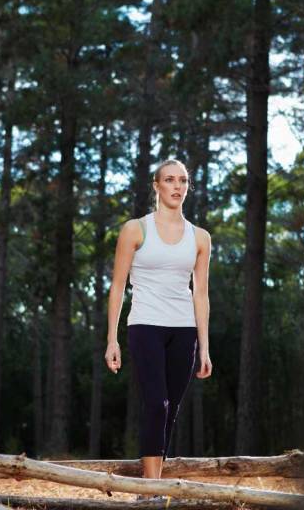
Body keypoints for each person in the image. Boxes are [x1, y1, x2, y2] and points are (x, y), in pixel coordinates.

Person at [104, 159, 213, 494]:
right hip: (145, 324)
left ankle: (152, 484)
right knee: (156, 403)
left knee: (172, 409)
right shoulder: (135, 229)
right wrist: (112, 339)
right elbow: (118, 286)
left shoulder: (200, 237)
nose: (177, 186)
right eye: (170, 180)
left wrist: (205, 347)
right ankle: (152, 490)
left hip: (184, 330)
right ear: (157, 186)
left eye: (183, 180)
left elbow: (201, 295)